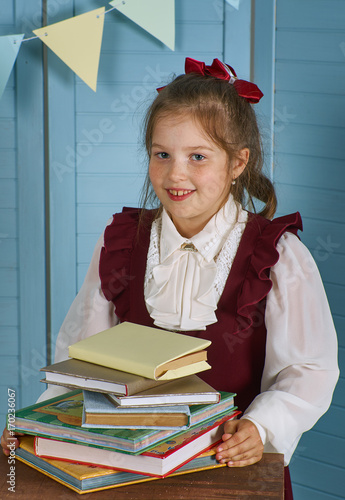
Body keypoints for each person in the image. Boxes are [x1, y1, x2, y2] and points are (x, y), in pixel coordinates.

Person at [1, 57, 339, 499]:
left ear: (238, 163)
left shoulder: (278, 256)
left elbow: (308, 370)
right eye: (162, 155)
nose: (175, 174)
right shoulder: (120, 243)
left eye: (197, 157)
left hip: (226, 464)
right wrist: (38, 428)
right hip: (127, 468)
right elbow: (79, 356)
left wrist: (261, 426)